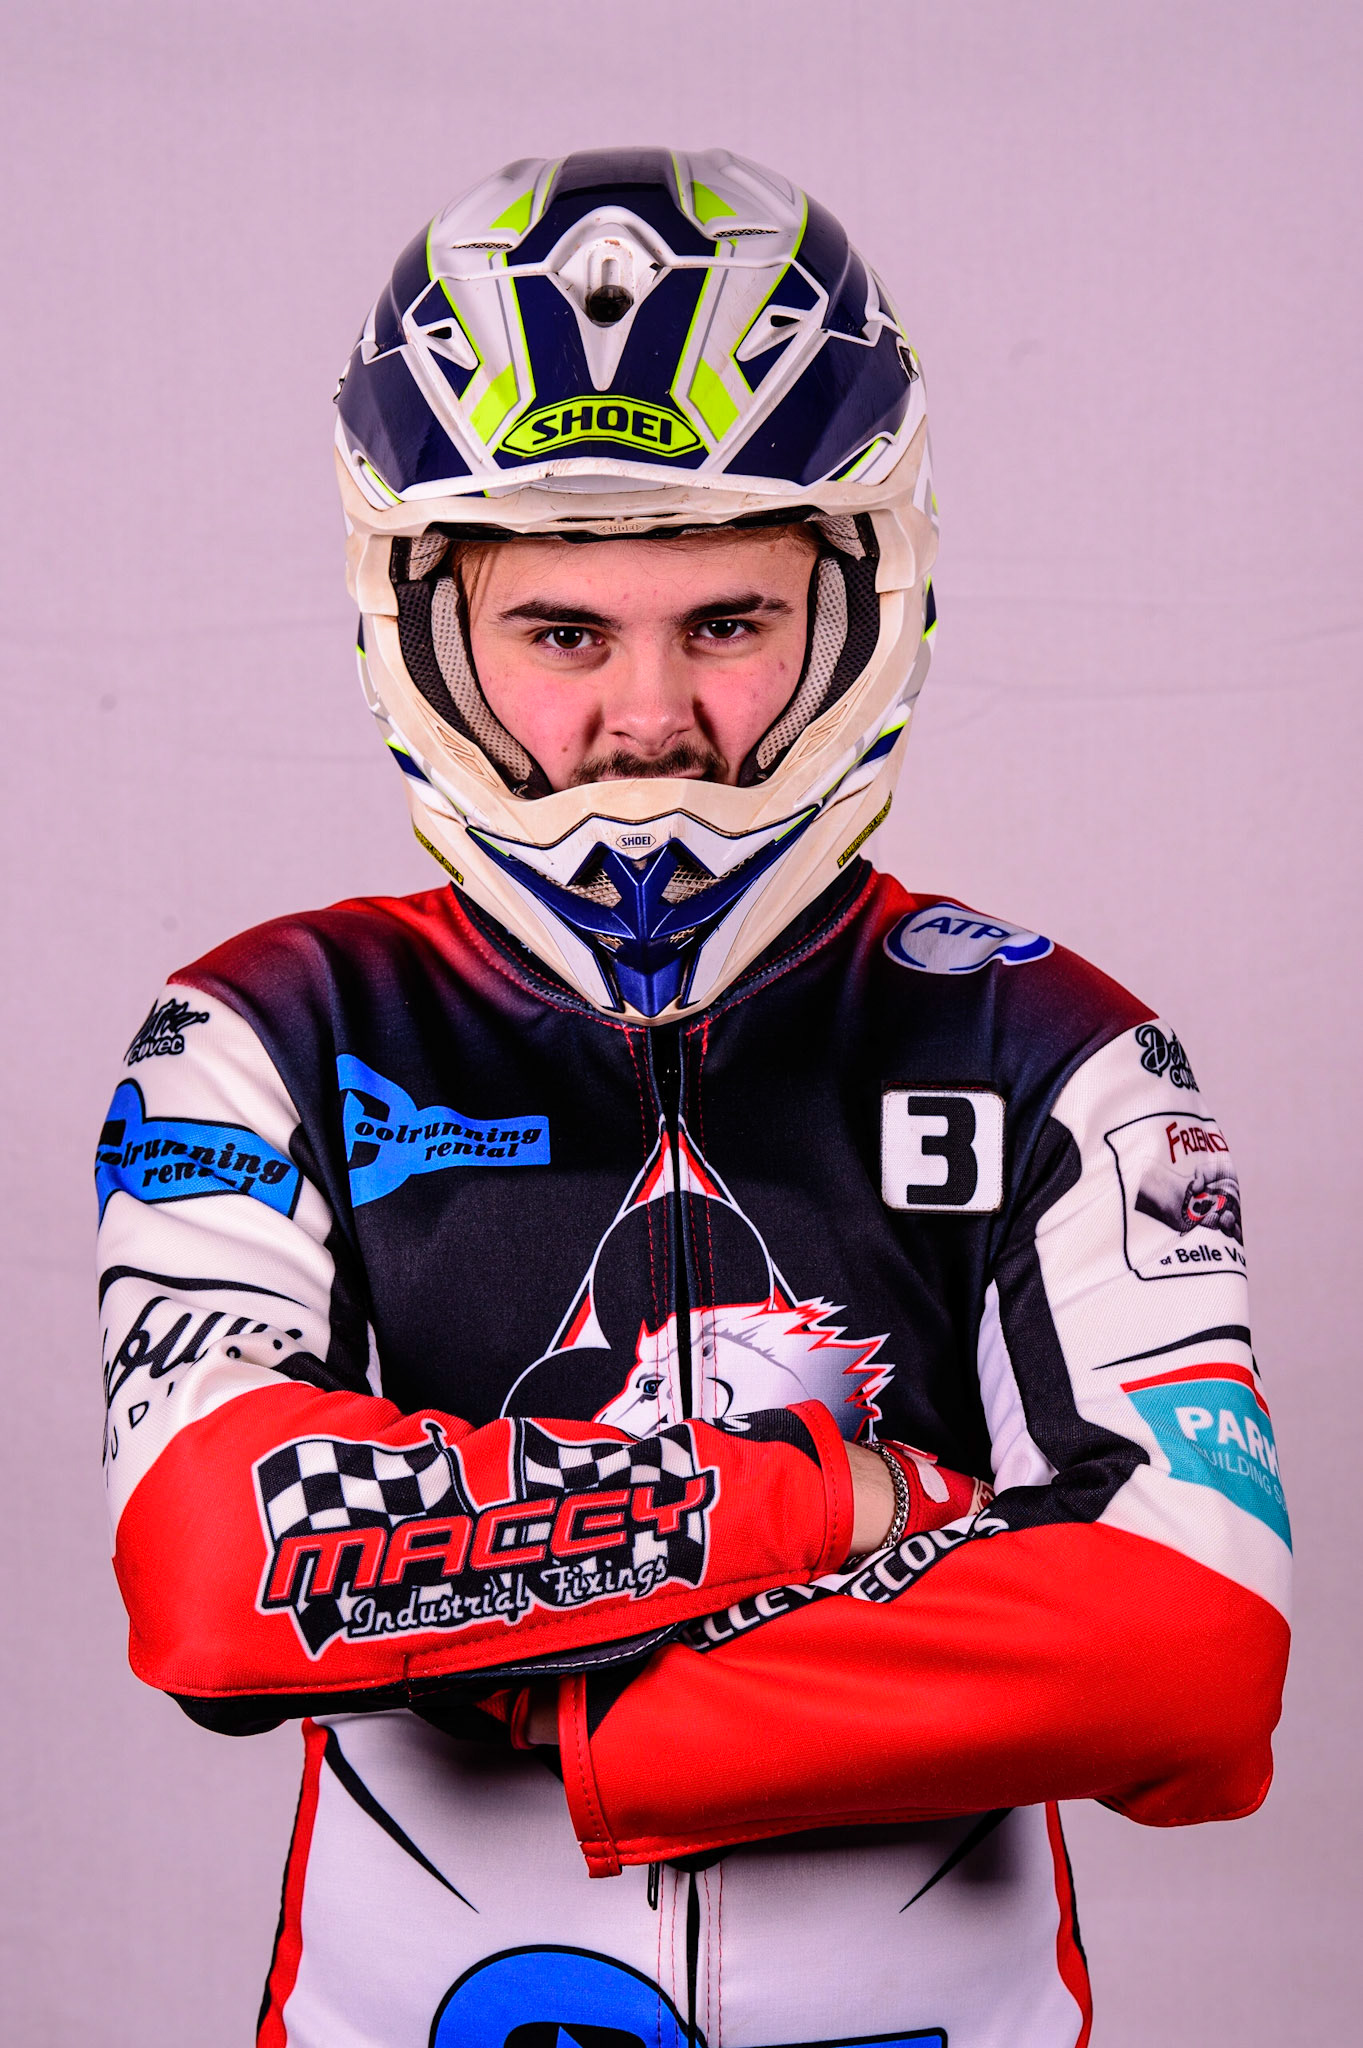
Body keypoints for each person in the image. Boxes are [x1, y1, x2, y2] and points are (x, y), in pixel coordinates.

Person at [96, 148, 1291, 2048]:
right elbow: (215, 1574)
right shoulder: (263, 1028)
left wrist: (558, 1698)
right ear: (427, 628)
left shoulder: (1061, 1044)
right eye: (562, 632)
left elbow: (1189, 1656)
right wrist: (855, 1503)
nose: (648, 716)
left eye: (726, 622)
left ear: (858, 605)